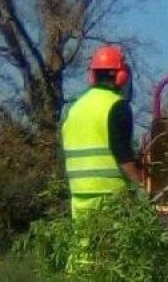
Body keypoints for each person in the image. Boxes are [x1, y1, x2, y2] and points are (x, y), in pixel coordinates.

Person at [60, 44, 143, 219]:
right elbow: (123, 154)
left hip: (79, 194)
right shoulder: (117, 106)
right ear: (121, 76)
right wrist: (141, 186)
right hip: (109, 195)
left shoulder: (74, 107)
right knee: (111, 246)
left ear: (92, 75)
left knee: (84, 245)